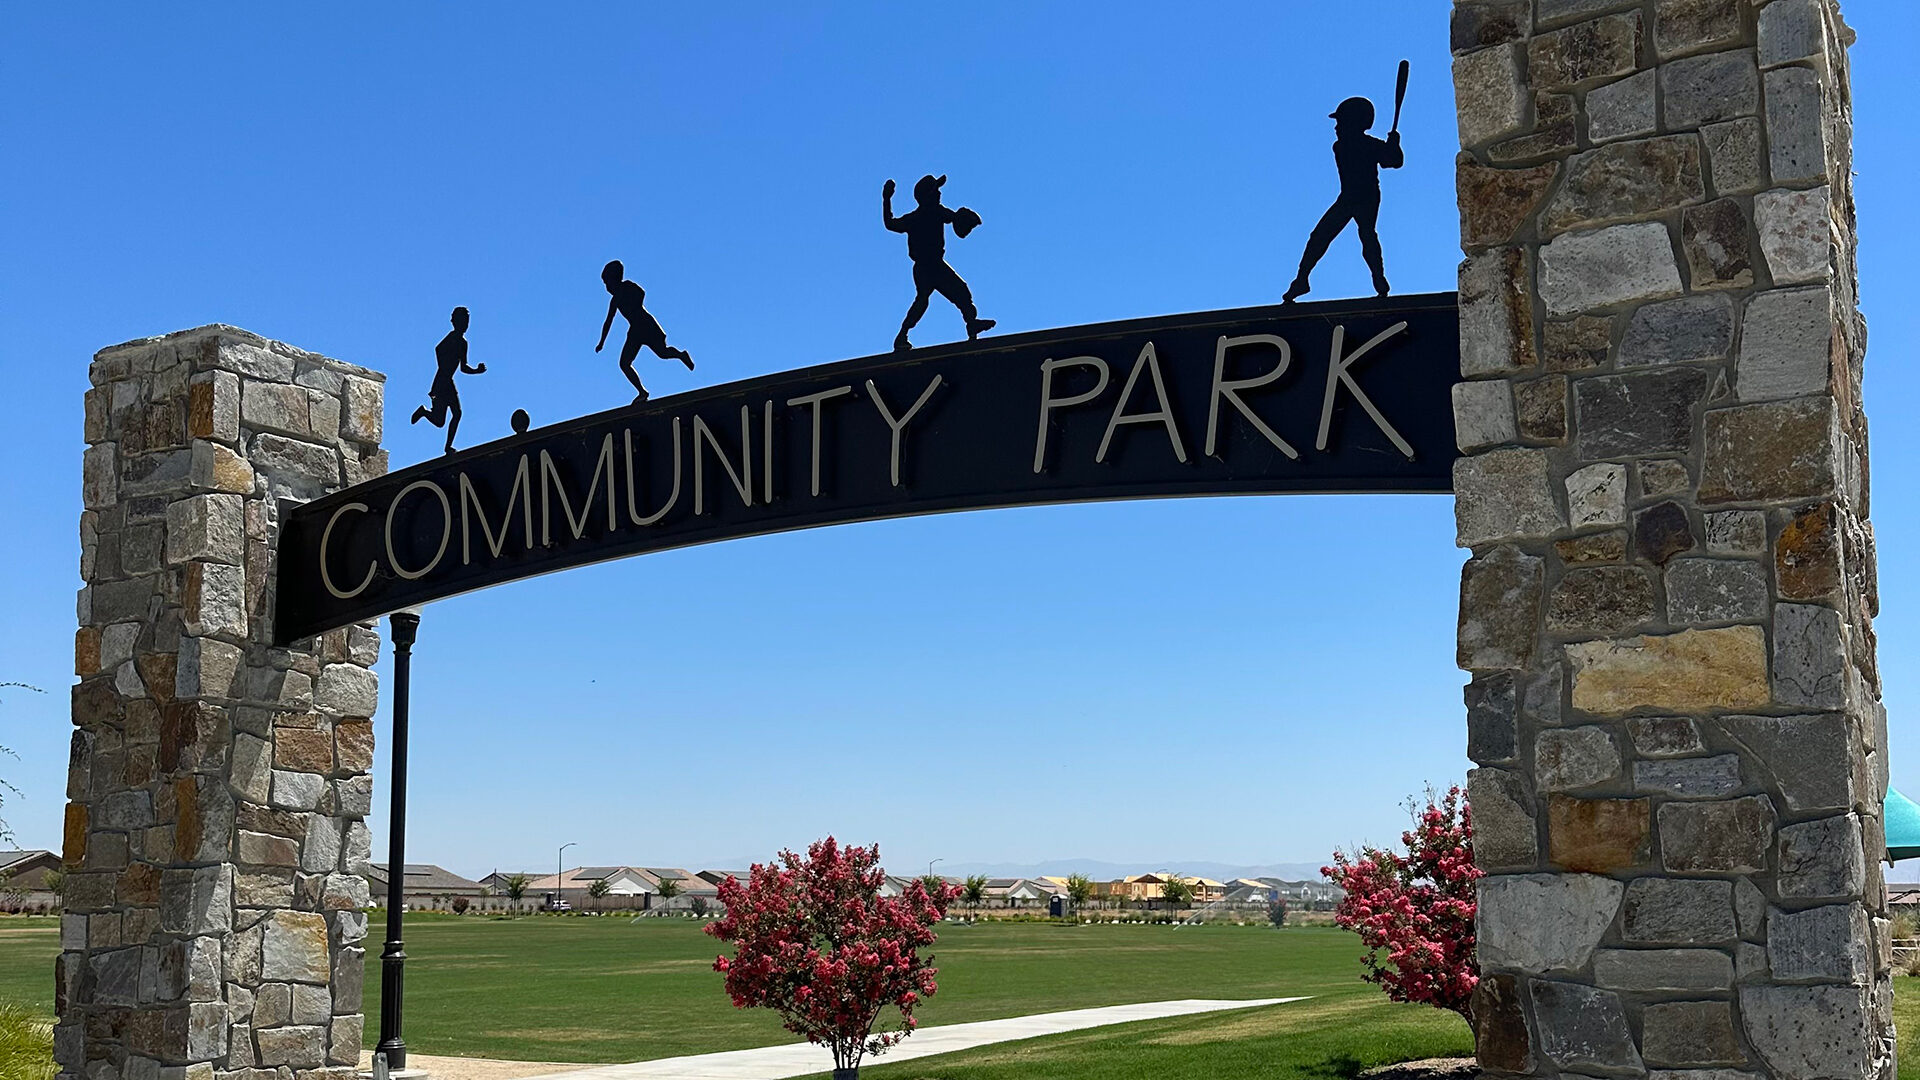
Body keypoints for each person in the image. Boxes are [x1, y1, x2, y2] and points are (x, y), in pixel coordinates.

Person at [1283, 96, 1404, 303]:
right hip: (1350, 196)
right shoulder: (1343, 147)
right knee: (1322, 236)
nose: (1336, 127)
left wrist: (1394, 145)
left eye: (1341, 122)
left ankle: (1378, 279)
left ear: (1355, 122)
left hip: (1366, 196)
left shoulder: (1365, 145)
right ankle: (1302, 280)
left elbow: (1394, 161)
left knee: (1365, 235)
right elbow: (1390, 160)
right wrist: (1391, 146)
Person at [883, 174, 994, 352]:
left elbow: (956, 219)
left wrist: (965, 219)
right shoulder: (917, 218)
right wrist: (886, 198)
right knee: (925, 300)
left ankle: (971, 324)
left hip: (934, 264)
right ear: (927, 196)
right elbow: (890, 223)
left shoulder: (938, 212)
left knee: (959, 292)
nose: (939, 194)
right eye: (936, 191)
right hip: (926, 266)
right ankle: (902, 335)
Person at [596, 260, 694, 404]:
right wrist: (602, 342)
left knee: (663, 353)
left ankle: (681, 355)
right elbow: (608, 321)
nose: (607, 288)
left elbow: (641, 293)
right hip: (635, 331)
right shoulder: (615, 300)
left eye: (607, 283)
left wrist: (634, 304)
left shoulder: (628, 286)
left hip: (647, 326)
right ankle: (642, 391)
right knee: (624, 363)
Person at [410, 306, 485, 455]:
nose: (465, 325)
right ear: (456, 322)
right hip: (441, 382)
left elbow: (463, 367)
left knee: (454, 415)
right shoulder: (452, 338)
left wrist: (477, 370)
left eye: (467, 322)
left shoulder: (463, 343)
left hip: (448, 382)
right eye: (463, 321)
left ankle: (447, 447)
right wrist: (444, 366)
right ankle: (424, 412)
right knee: (441, 421)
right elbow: (438, 349)